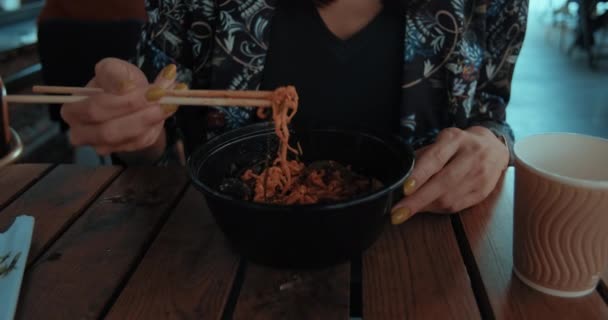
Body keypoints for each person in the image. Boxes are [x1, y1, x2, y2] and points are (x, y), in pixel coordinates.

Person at [59, 0, 529, 225]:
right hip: (225, 257)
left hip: (424, 254)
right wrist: (134, 131)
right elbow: (153, 134)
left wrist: (494, 146)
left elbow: (489, 115)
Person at [37, 0, 147, 132]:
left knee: (74, 111)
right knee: (126, 107)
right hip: (127, 23)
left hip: (60, 23)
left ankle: (76, 137)